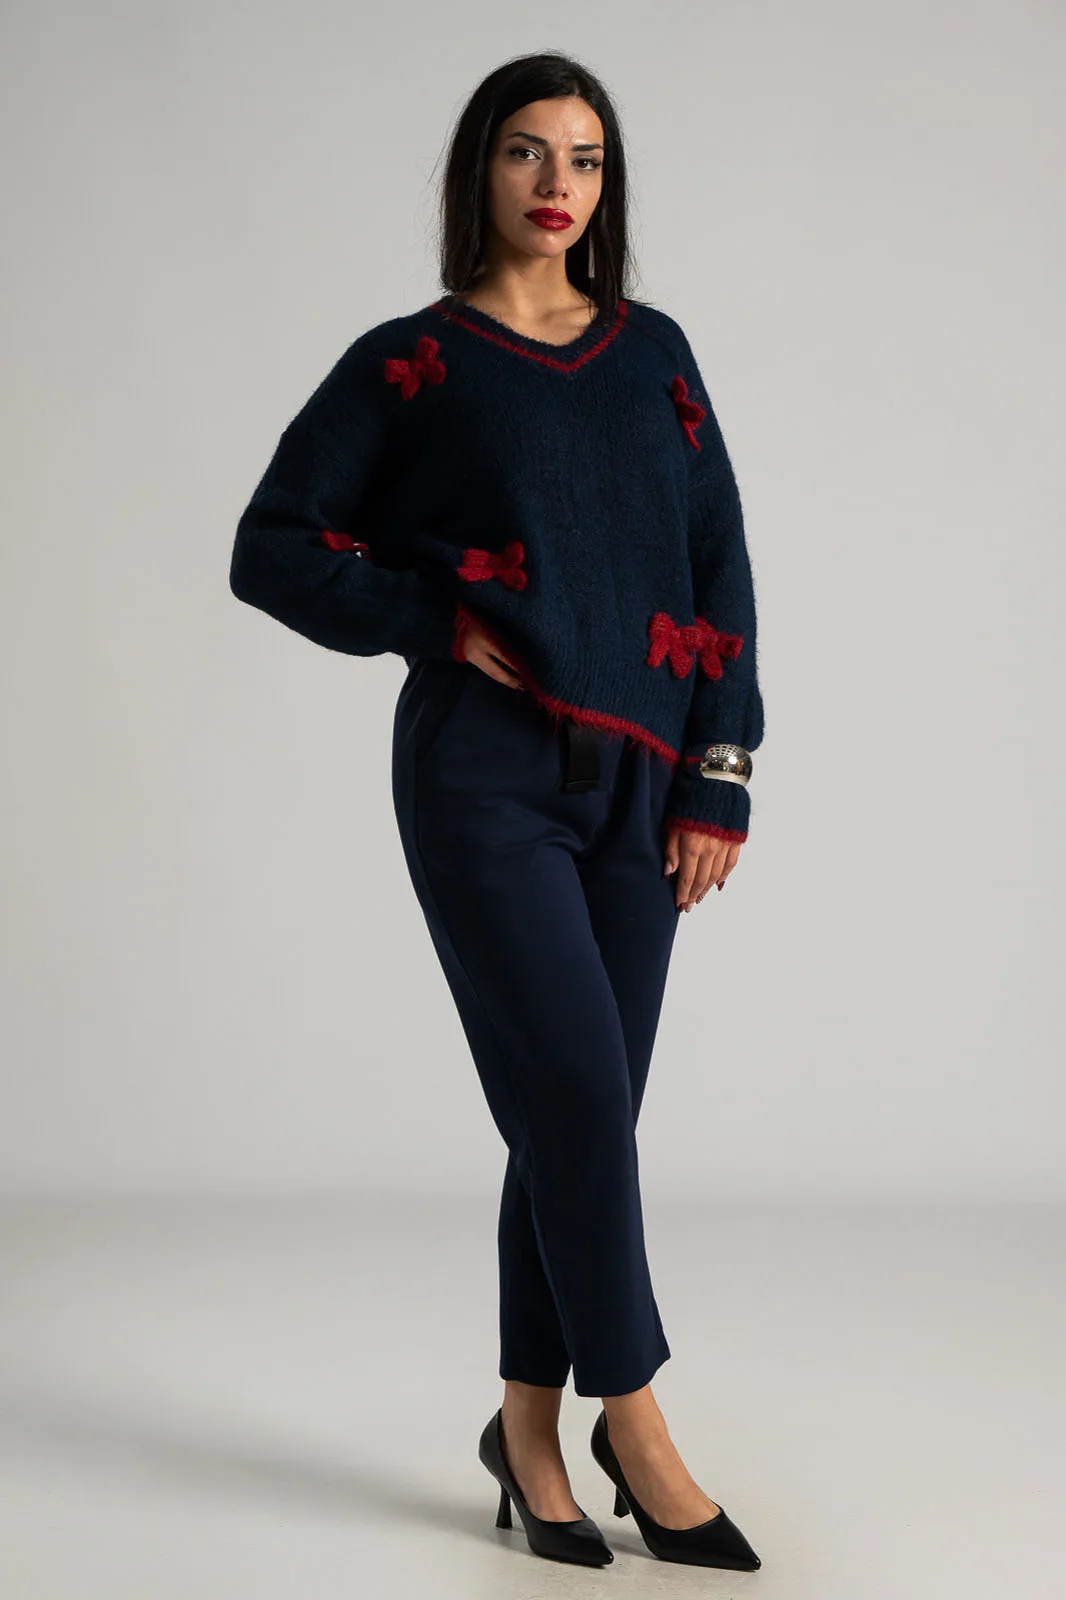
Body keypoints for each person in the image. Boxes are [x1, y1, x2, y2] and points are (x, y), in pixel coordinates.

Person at [229, 50, 764, 1573]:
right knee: (579, 1101)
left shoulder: (654, 355)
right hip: (485, 777)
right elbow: (271, 546)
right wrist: (427, 616)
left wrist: (720, 770)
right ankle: (636, 1424)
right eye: (526, 152)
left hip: (645, 786)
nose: (555, 184)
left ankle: (525, 1434)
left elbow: (718, 561)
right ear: (480, 168)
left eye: (584, 159)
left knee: (571, 1116)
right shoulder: (415, 361)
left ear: (608, 184)